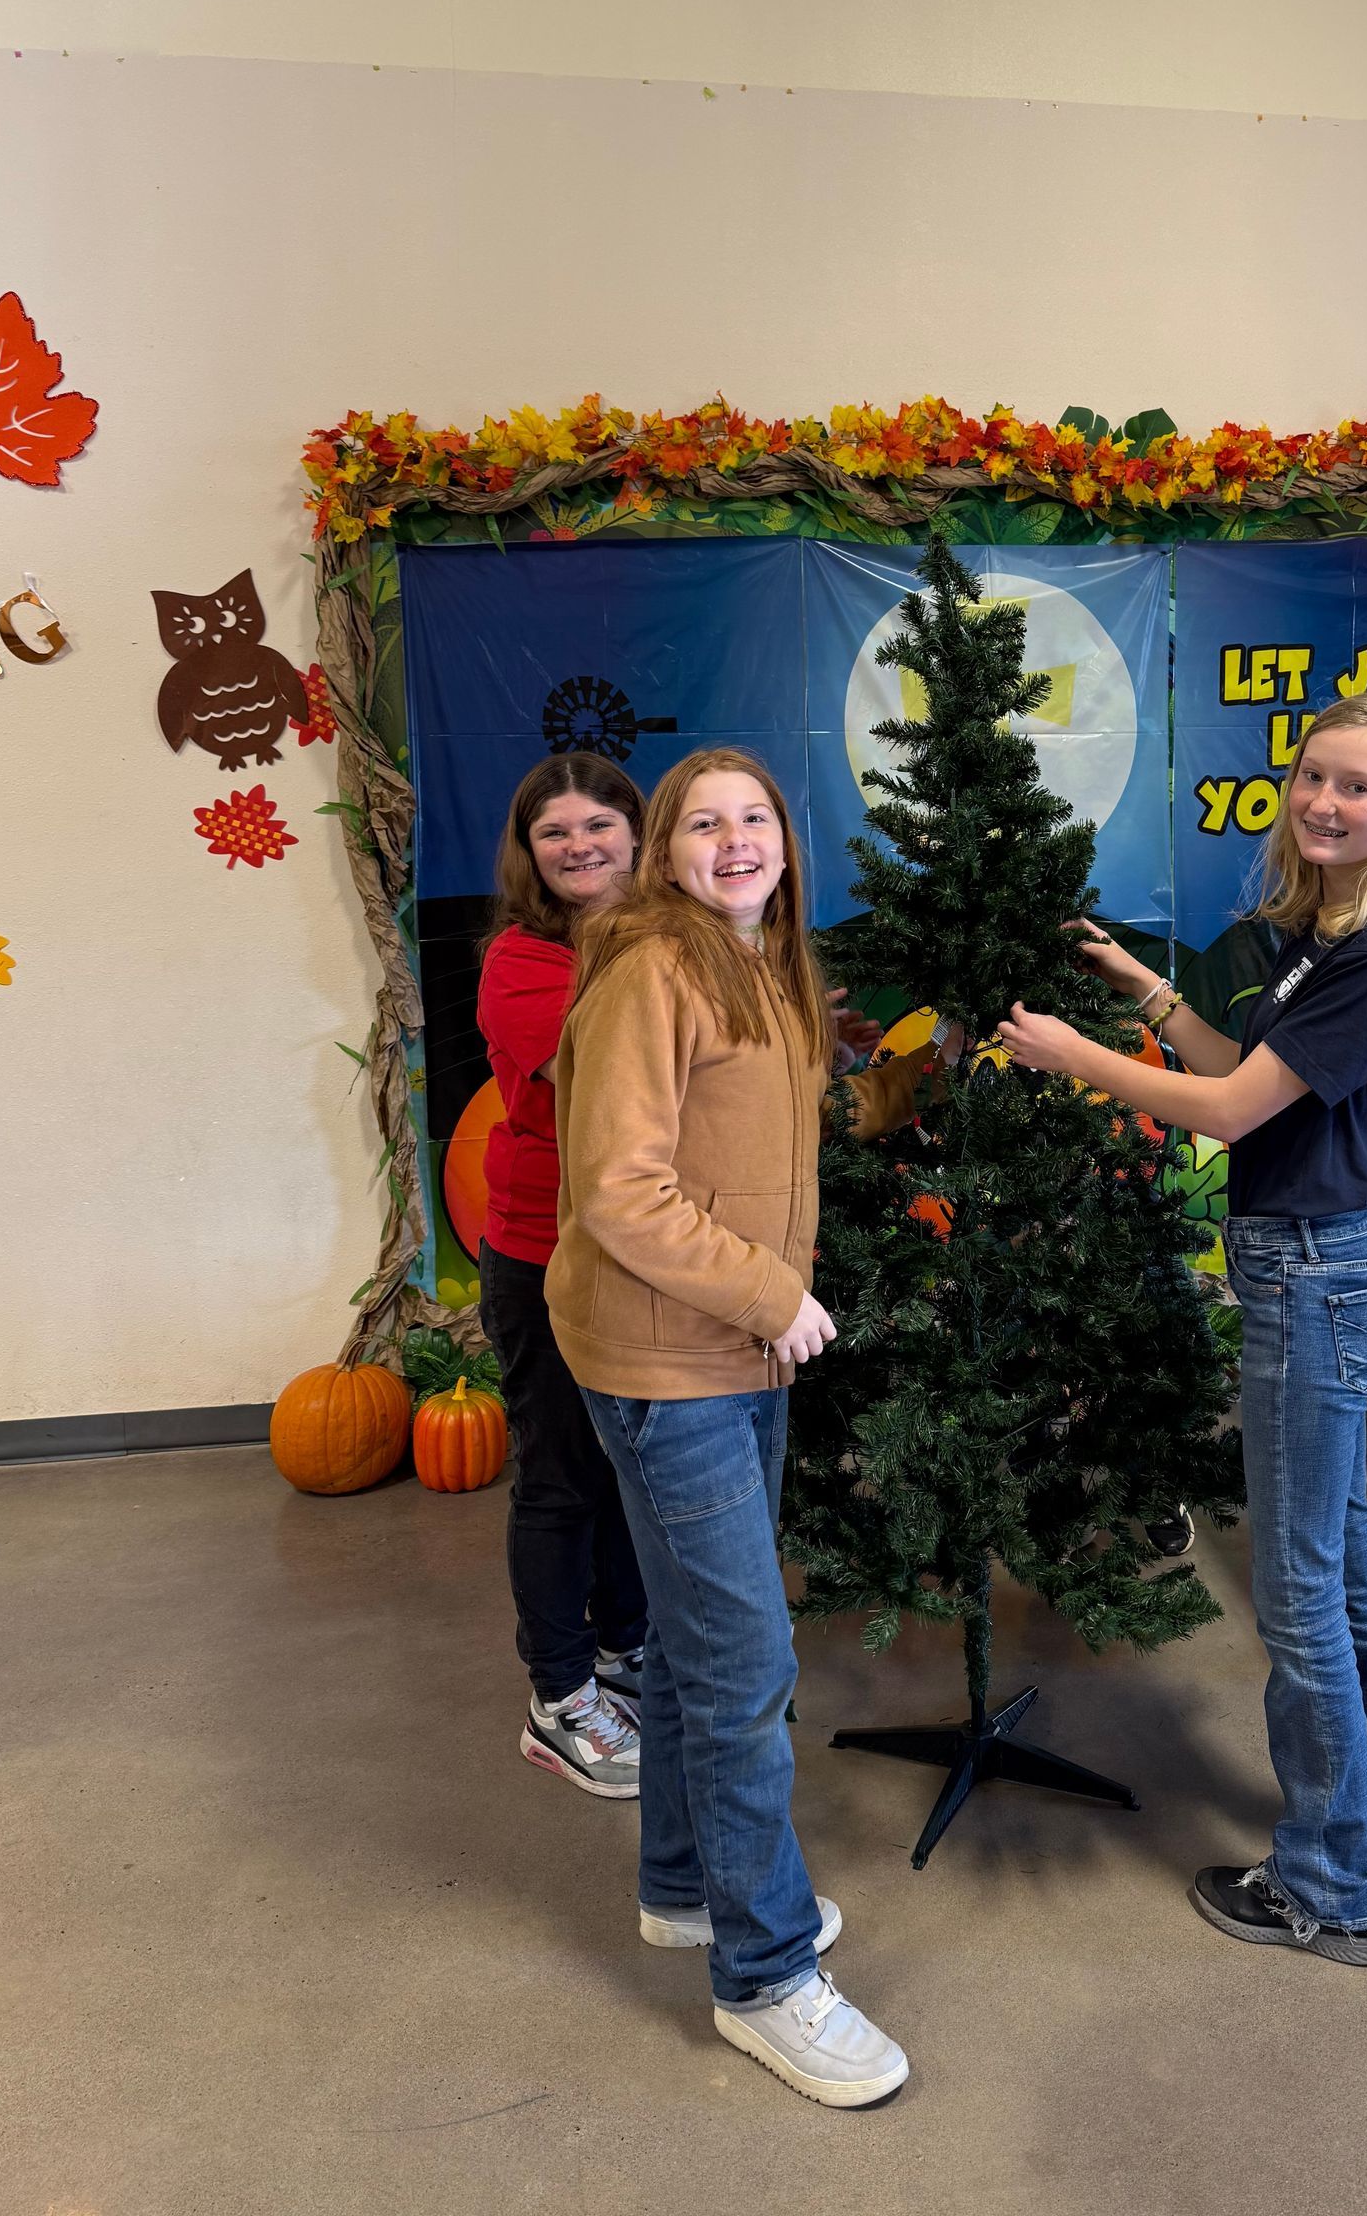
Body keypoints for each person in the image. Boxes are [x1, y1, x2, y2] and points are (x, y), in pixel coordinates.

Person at [997, 694, 1367, 1970]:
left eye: (1360, 787)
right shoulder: (1329, 935)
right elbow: (1255, 1082)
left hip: (1313, 1280)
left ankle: (1333, 1885)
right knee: (1346, 1573)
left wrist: (1068, 1056)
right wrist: (1147, 991)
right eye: (1313, 776)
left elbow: (1224, 1117)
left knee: (1298, 1601)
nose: (1325, 801)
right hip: (1320, 1267)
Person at [546, 748, 936, 2109]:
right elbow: (619, 1191)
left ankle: (680, 1890)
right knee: (742, 1667)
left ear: (786, 839)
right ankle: (766, 1979)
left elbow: (776, 1139)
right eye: (701, 822)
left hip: (729, 1350)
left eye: (753, 816)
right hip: (677, 1360)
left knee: (695, 1641)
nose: (732, 839)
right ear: (662, 850)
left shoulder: (757, 956)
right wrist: (777, 1296)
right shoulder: (656, 964)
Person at [476, 755, 652, 1799]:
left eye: (600, 823)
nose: (580, 843)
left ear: (638, 833)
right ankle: (560, 1697)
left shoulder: (674, 940)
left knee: (633, 1465)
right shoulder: (524, 960)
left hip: (648, 1251)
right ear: (529, 851)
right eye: (556, 831)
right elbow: (617, 1075)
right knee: (561, 1477)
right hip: (546, 1249)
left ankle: (627, 1648)